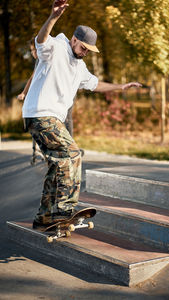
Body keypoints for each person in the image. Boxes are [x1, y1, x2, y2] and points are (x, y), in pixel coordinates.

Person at [22, 0, 142, 229]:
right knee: (73, 154)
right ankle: (63, 212)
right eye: (83, 47)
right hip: (41, 114)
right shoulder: (56, 47)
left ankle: (44, 217)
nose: (85, 52)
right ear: (74, 39)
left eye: (89, 50)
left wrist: (121, 86)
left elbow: (95, 84)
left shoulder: (80, 66)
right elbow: (40, 40)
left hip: (49, 119)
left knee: (58, 165)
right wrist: (53, 17)